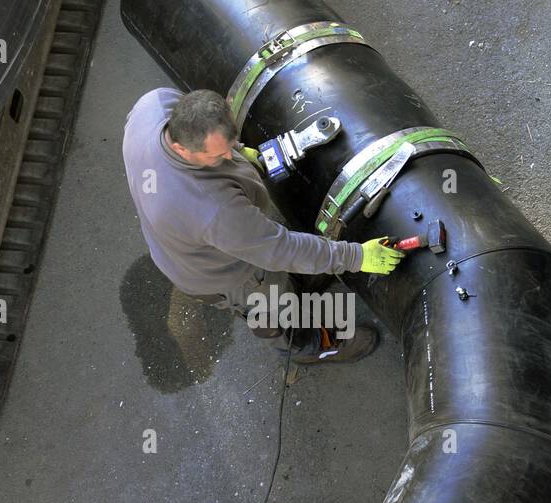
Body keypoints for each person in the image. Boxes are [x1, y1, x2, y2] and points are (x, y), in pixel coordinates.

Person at [122, 86, 404, 363]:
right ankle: (308, 347)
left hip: (181, 240)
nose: (229, 157)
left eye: (231, 146)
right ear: (181, 149)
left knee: (282, 270)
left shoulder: (154, 105)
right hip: (221, 273)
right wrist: (357, 256)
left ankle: (299, 281)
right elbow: (281, 249)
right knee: (273, 306)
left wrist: (241, 152)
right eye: (219, 156)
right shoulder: (212, 209)